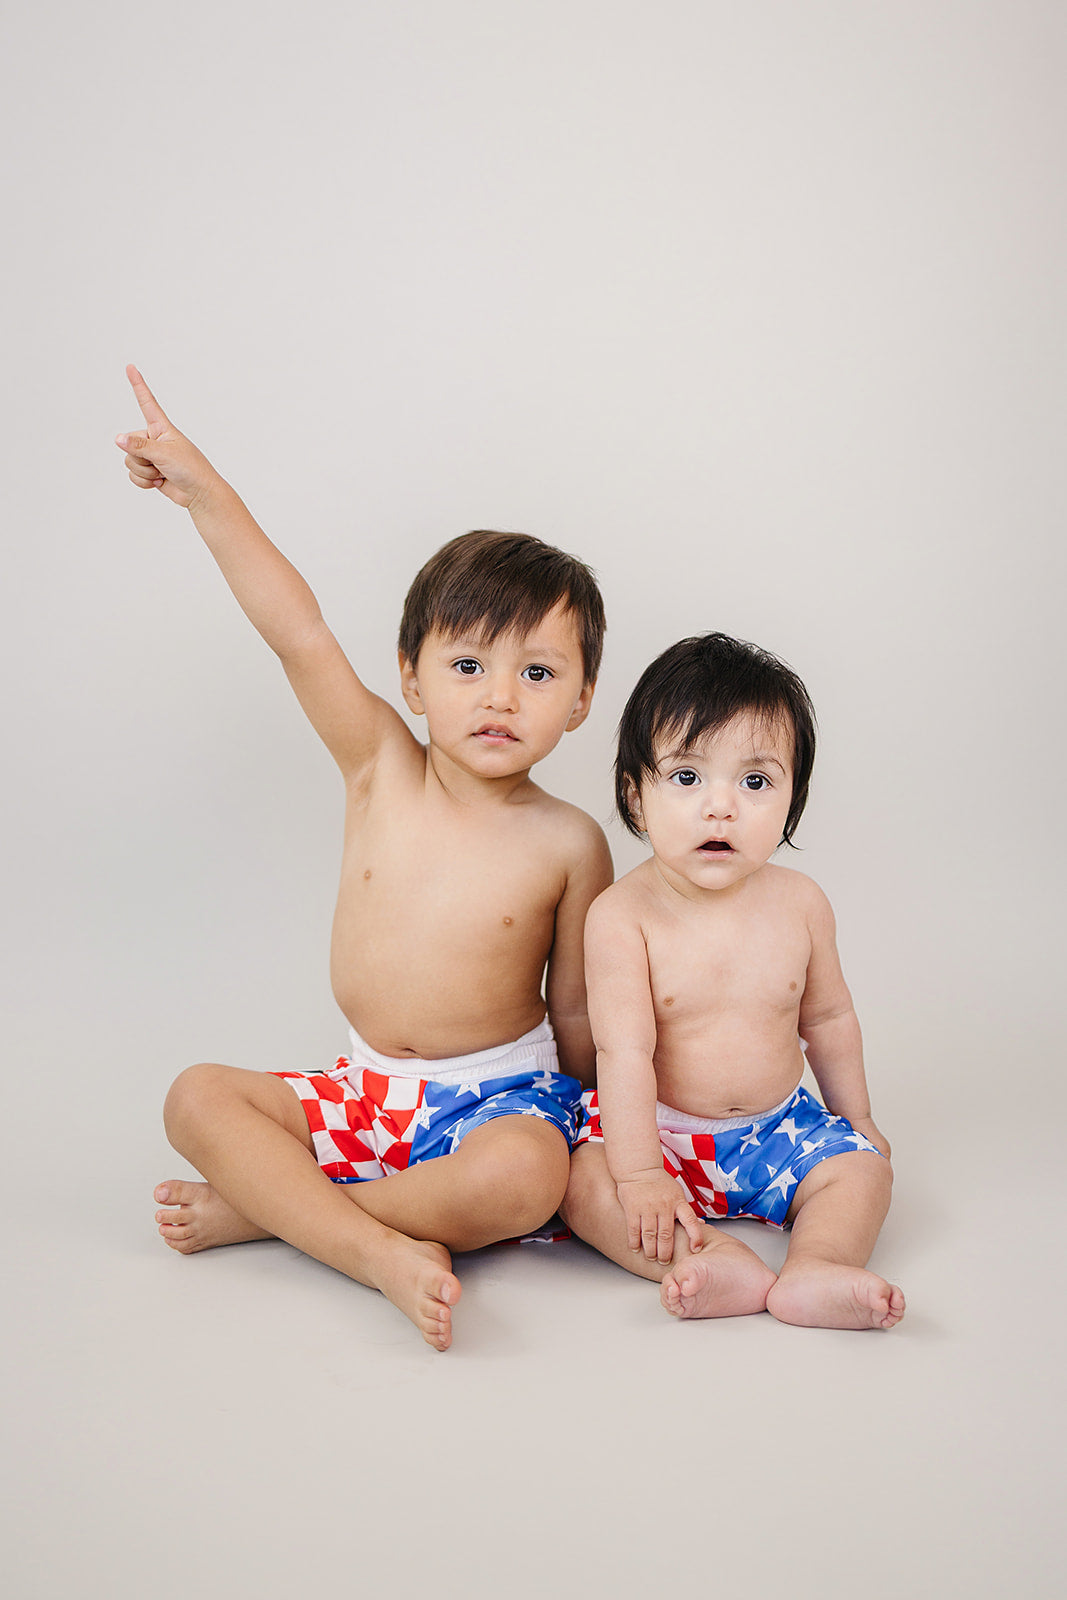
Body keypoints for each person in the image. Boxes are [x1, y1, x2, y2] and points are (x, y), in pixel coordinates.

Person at [115, 366, 612, 1351]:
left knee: (528, 1175)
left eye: (537, 673)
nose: (499, 697)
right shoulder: (379, 762)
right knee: (195, 1096)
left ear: (582, 700)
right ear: (411, 677)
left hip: (493, 1105)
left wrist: (599, 1130)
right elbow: (296, 633)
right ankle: (374, 1246)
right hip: (360, 1090)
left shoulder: (568, 839)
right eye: (468, 666)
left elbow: (579, 1009)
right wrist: (205, 494)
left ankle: (277, 1215)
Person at [560, 632, 904, 1330]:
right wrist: (637, 1175)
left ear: (790, 801)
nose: (720, 808)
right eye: (686, 778)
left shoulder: (801, 903)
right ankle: (708, 1259)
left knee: (861, 1171)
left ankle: (818, 1263)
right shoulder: (621, 916)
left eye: (754, 782)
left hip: (779, 1129)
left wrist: (858, 1119)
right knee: (578, 1181)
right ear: (635, 797)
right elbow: (621, 1054)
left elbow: (829, 1021)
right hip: (655, 1134)